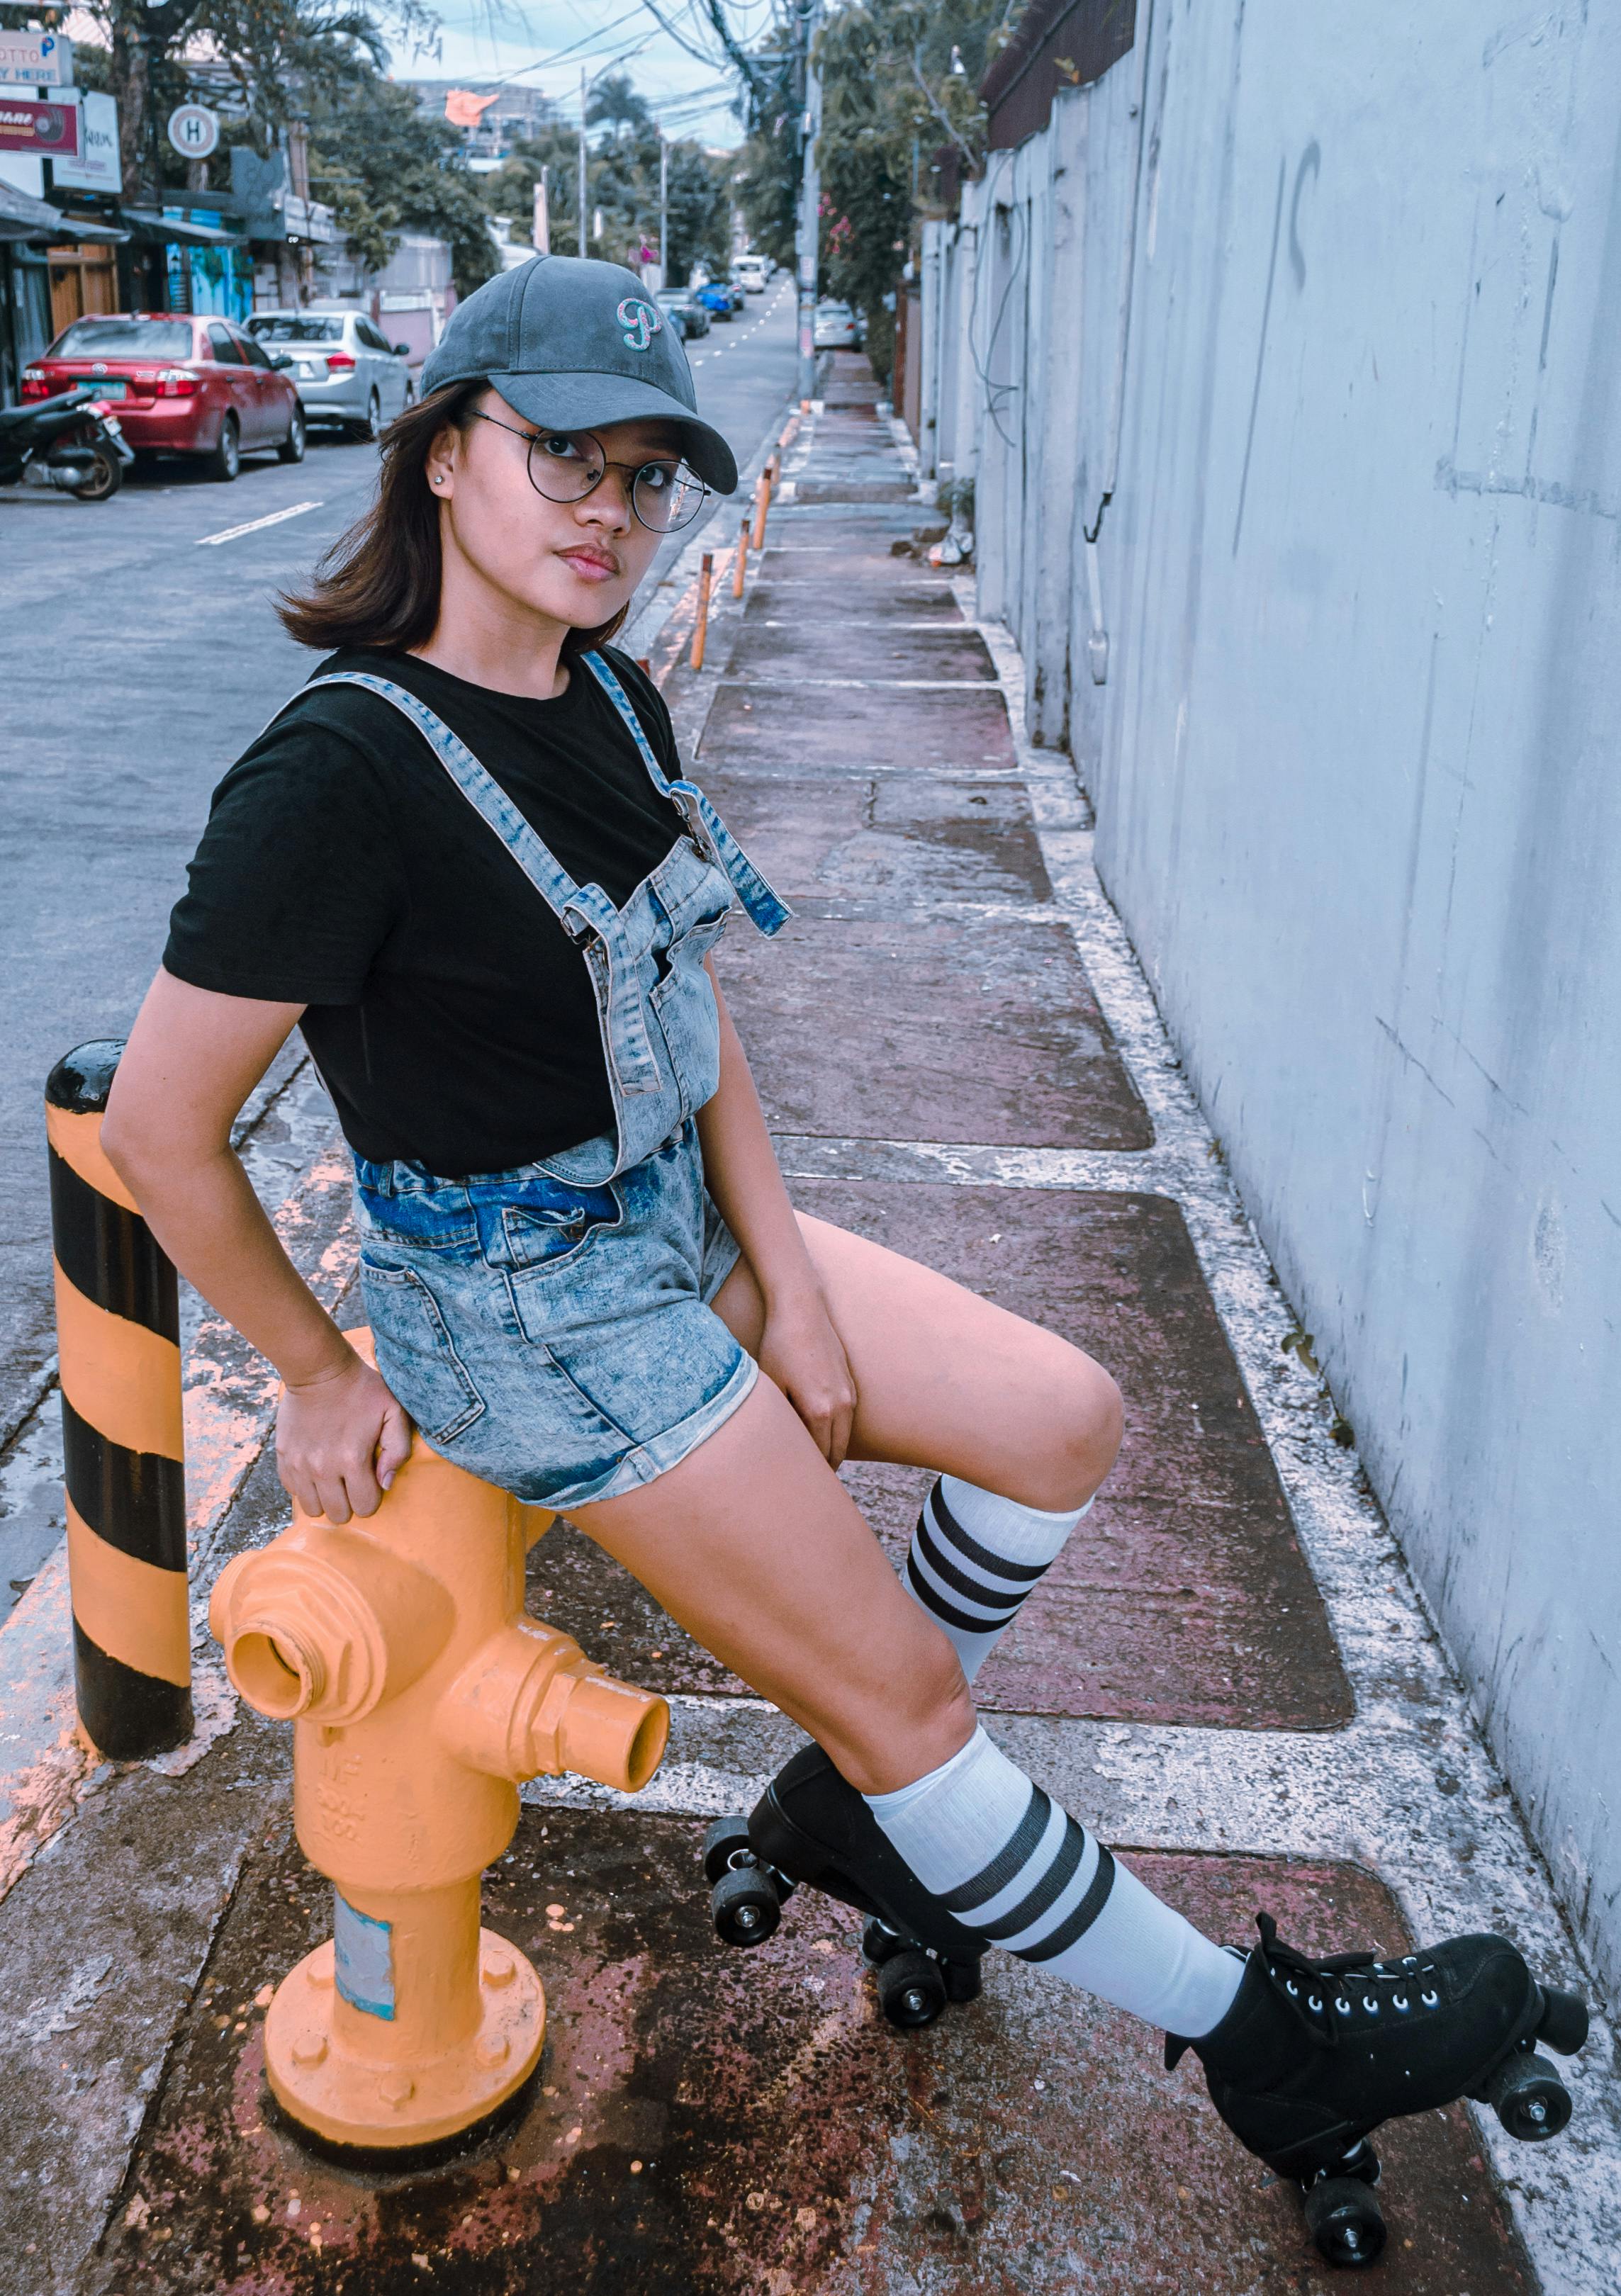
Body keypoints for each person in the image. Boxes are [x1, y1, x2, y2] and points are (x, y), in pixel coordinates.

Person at [101, 258, 1582, 2255]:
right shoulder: (339, 774)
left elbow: (688, 1026)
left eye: (644, 473)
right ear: (449, 458)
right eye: (563, 457)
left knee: (1063, 1420)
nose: (609, 510)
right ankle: (1266, 2040)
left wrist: (787, 1282)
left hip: (679, 1232)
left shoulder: (609, 689)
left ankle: (871, 1821)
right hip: (530, 1326)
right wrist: (315, 1369)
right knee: (917, 1711)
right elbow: (161, 1131)